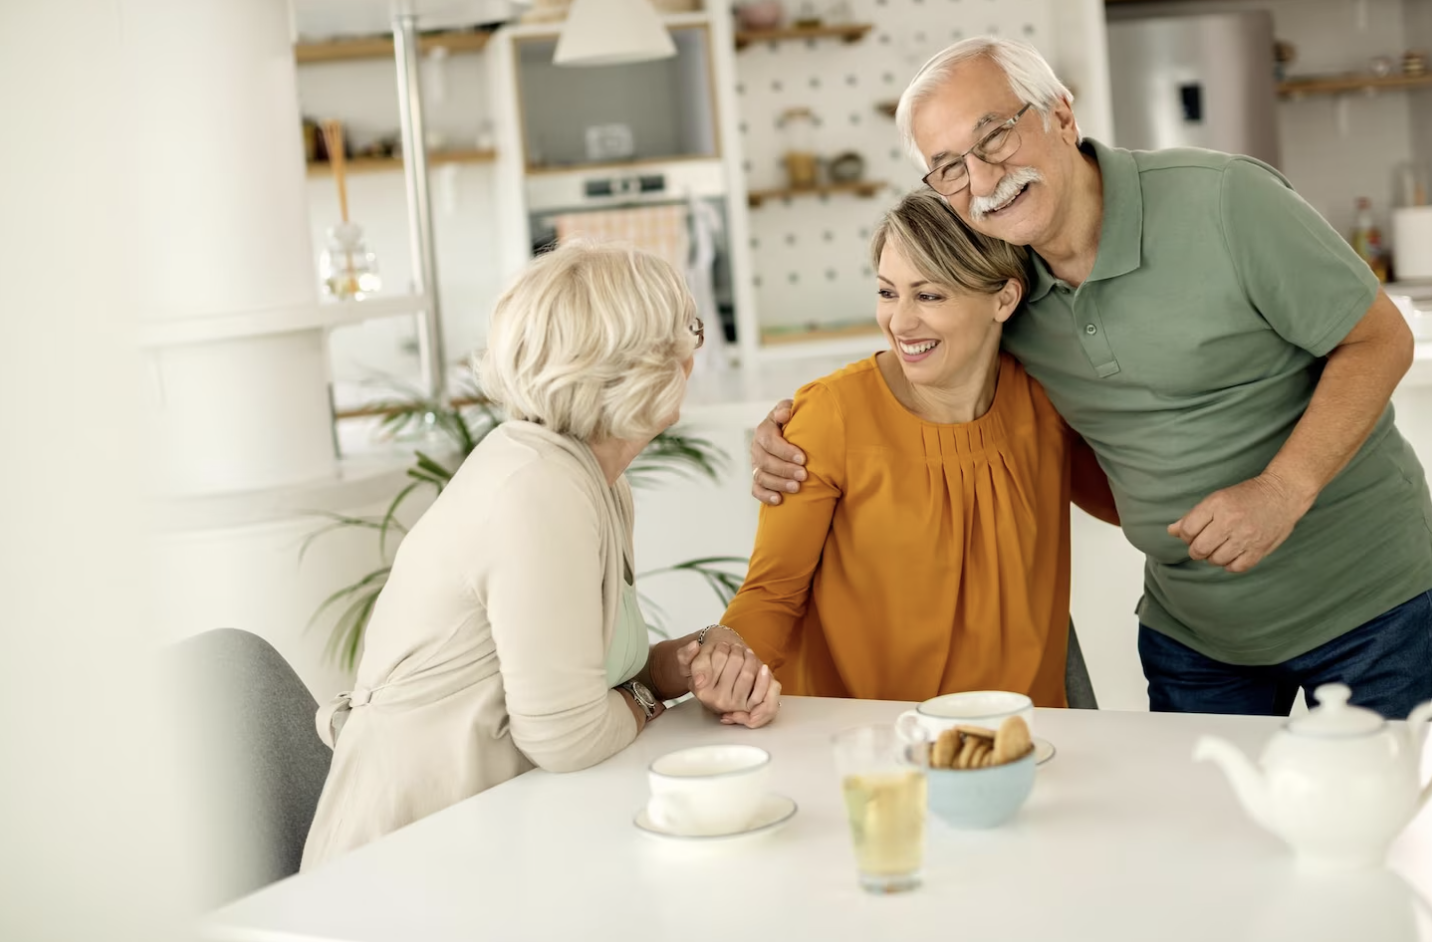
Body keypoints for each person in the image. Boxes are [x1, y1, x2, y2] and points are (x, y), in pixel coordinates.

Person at [750, 37, 1432, 719]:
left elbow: (1380, 338)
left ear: (1062, 116)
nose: (984, 180)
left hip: (1374, 608)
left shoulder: (1227, 200)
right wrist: (795, 435)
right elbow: (942, 389)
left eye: (995, 137)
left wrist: (1281, 491)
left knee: (1383, 822)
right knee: (1200, 827)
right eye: (950, 166)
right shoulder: (1005, 289)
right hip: (1198, 635)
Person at [302, 242, 779, 870]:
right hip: (407, 862)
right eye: (685, 332)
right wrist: (648, 701)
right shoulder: (537, 488)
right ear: (640, 365)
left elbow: (583, 688)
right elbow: (568, 734)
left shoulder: (587, 477)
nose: (695, 352)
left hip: (494, 833)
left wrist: (687, 664)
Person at [720, 190, 1116, 705]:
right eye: (888, 293)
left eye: (929, 296)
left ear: (1004, 299)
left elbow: (1131, 507)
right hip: (869, 739)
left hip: (1025, 735)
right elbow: (771, 594)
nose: (900, 323)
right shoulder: (831, 416)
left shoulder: (1047, 402)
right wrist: (729, 670)